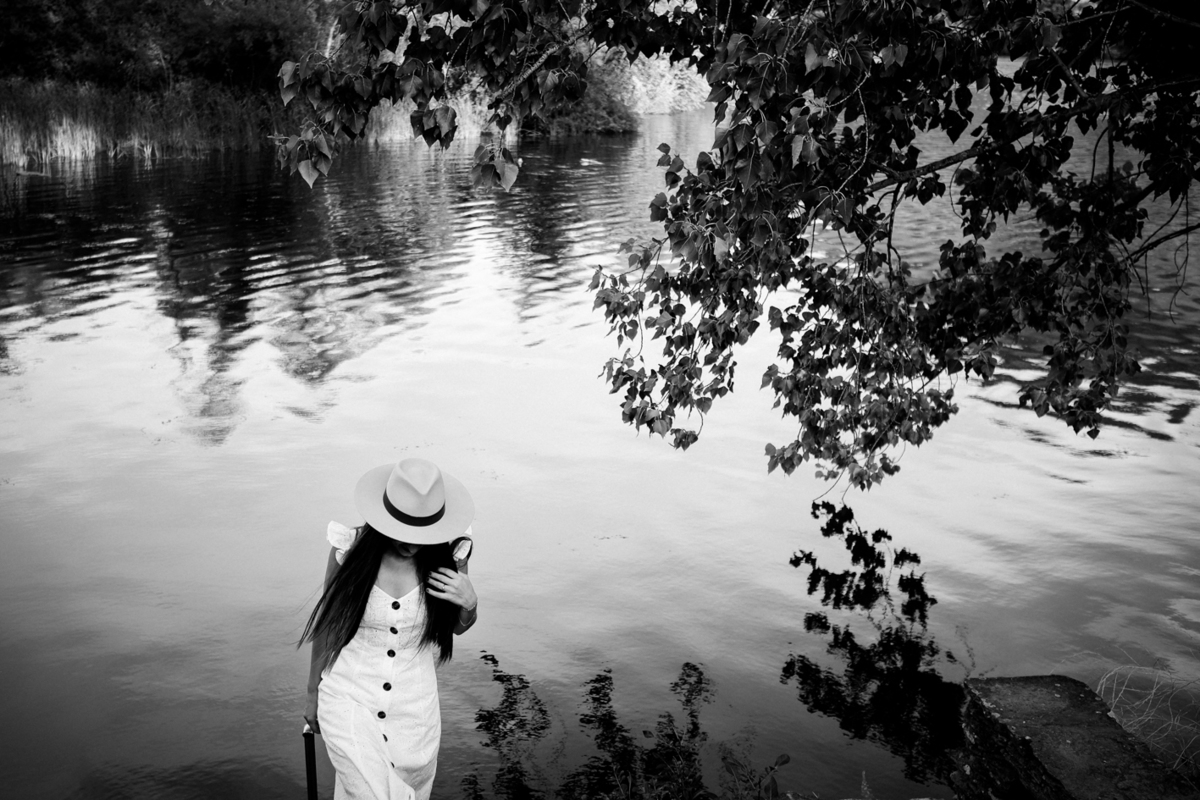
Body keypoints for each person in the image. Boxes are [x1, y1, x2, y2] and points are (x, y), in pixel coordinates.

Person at [301, 458, 478, 800]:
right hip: (349, 699)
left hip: (416, 719)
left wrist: (469, 603)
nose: (410, 544)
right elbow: (327, 624)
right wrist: (312, 694)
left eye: (420, 532)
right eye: (402, 530)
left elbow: (455, 628)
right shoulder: (348, 550)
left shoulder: (452, 555)